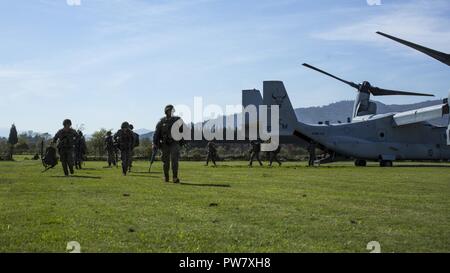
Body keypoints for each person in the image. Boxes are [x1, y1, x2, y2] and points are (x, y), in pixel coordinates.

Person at [153, 104, 184, 183]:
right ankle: (166, 176)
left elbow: (184, 131)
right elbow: (156, 134)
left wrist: (182, 142)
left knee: (175, 161)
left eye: (172, 111)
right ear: (166, 111)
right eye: (170, 110)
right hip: (164, 144)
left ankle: (175, 177)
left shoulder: (178, 120)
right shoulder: (161, 122)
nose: (171, 112)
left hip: (175, 143)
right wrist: (155, 144)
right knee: (165, 162)